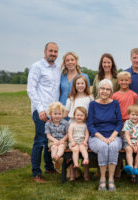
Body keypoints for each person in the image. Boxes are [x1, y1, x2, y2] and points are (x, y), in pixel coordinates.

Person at [27, 42, 61, 183]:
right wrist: (40, 109)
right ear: (45, 51)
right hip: (41, 111)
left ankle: (49, 167)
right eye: (51, 51)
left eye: (55, 51)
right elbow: (31, 89)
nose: (53, 54)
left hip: (54, 112)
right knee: (40, 141)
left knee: (49, 140)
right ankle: (36, 173)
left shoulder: (58, 68)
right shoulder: (37, 67)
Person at [87, 79, 123, 191]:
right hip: (96, 137)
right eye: (103, 88)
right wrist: (101, 137)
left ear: (111, 91)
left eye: (108, 89)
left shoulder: (115, 104)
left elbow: (119, 123)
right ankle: (102, 178)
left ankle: (111, 179)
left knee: (112, 146)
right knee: (103, 146)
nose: (105, 91)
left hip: (113, 135)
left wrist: (113, 136)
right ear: (99, 89)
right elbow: (90, 125)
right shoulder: (92, 104)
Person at [122, 104, 138, 178]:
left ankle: (135, 167)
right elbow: (127, 134)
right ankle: (130, 167)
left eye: (137, 115)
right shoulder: (127, 123)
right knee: (129, 149)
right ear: (129, 115)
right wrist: (130, 144)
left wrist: (137, 145)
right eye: (133, 115)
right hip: (128, 141)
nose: (135, 117)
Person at [68, 107, 89, 180]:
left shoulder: (84, 125)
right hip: (74, 143)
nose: (79, 117)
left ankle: (86, 159)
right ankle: (76, 163)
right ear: (74, 115)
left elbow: (87, 134)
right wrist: (72, 142)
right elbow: (70, 134)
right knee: (76, 150)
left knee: (83, 148)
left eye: (81, 115)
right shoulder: (72, 125)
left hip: (82, 142)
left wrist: (85, 141)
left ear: (84, 117)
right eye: (78, 115)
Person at [45, 102, 69, 168]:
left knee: (61, 147)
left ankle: (57, 157)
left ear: (62, 114)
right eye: (55, 114)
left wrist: (62, 140)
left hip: (62, 140)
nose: (57, 116)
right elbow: (48, 135)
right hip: (52, 141)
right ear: (50, 114)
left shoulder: (65, 123)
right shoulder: (48, 124)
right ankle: (55, 159)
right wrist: (54, 140)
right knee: (53, 147)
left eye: (59, 114)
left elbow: (68, 134)